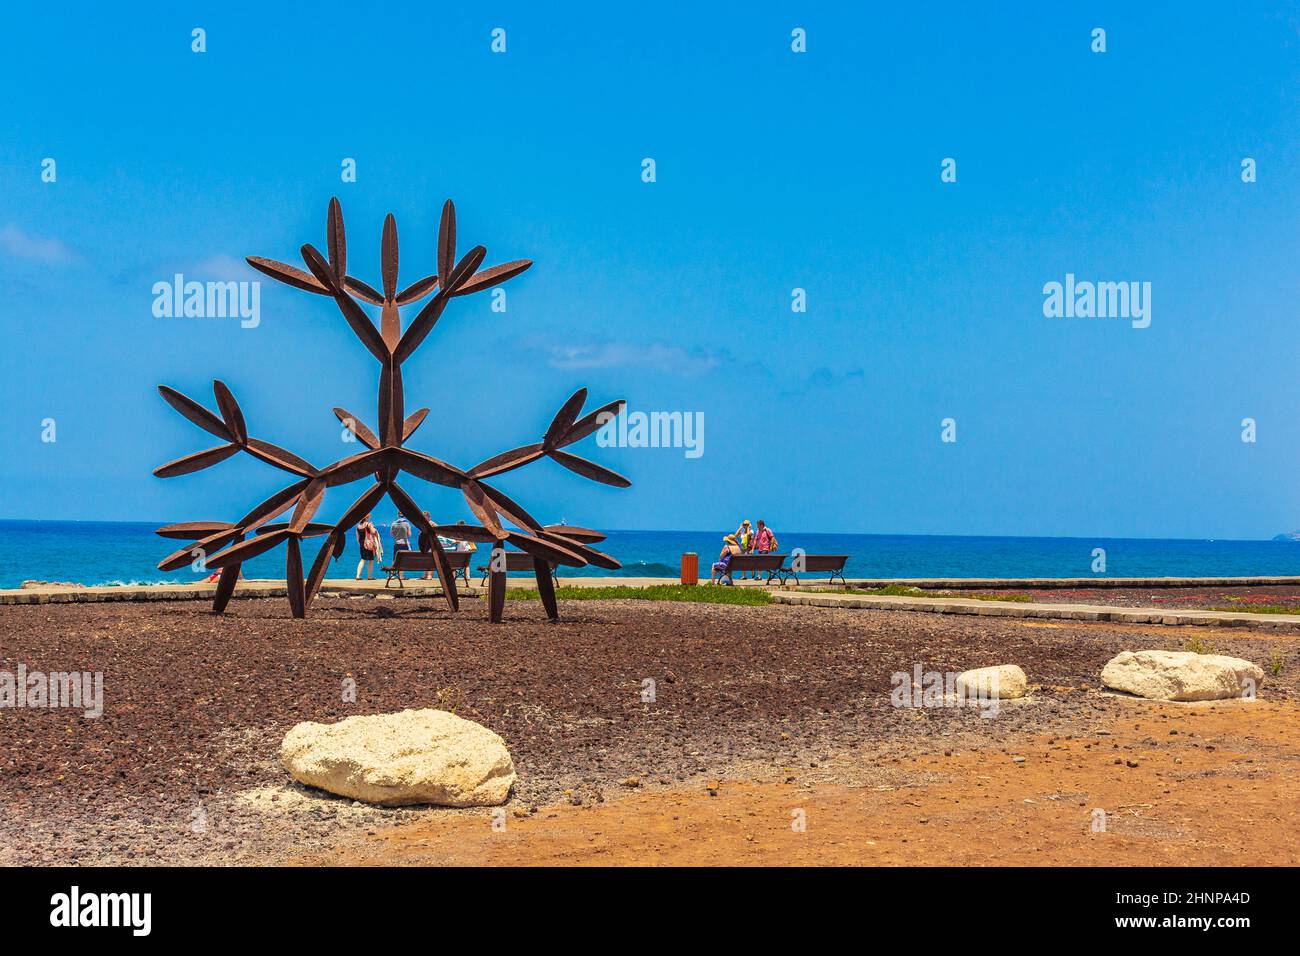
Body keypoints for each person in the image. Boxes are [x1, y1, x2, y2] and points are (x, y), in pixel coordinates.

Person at [355, 514, 381, 580]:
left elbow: (357, 538)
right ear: (366, 518)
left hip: (362, 544)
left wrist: (361, 543)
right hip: (369, 544)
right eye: (369, 517)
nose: (369, 518)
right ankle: (369, 576)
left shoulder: (358, 526)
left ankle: (358, 575)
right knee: (371, 560)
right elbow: (374, 532)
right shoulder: (369, 524)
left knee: (362, 559)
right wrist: (373, 527)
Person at [390, 516, 413, 581]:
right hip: (404, 544)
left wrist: (397, 535)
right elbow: (409, 534)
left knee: (394, 559)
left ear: (398, 515)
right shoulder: (406, 524)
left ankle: (392, 575)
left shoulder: (393, 523)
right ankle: (401, 576)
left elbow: (391, 534)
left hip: (397, 543)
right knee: (402, 560)